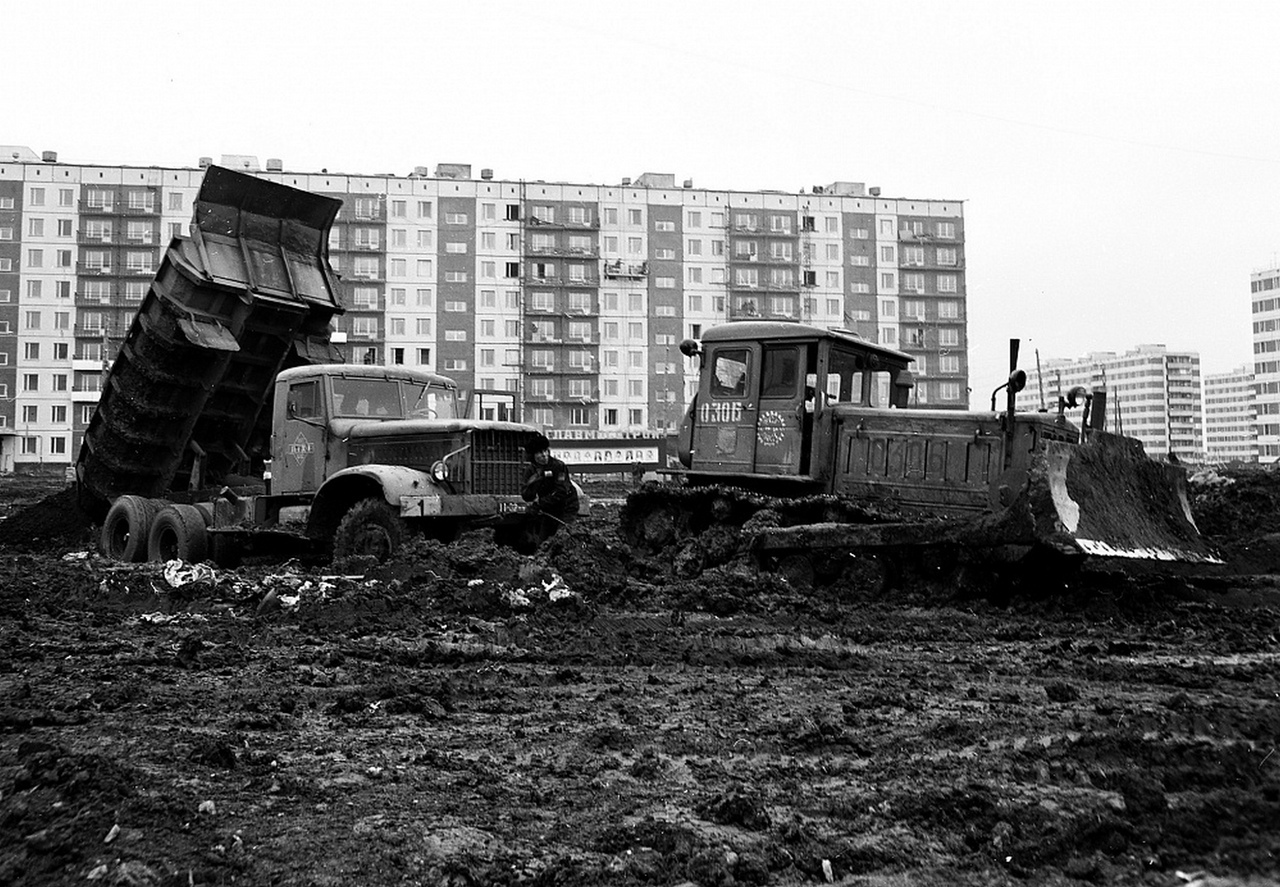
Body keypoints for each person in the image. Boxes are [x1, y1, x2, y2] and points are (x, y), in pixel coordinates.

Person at [520, 433, 579, 546]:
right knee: (544, 542)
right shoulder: (530, 471)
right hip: (548, 509)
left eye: (545, 451)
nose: (544, 455)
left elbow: (561, 491)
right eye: (539, 453)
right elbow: (526, 495)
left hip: (566, 505)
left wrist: (540, 503)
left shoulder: (558, 466)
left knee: (564, 537)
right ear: (533, 456)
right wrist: (533, 484)